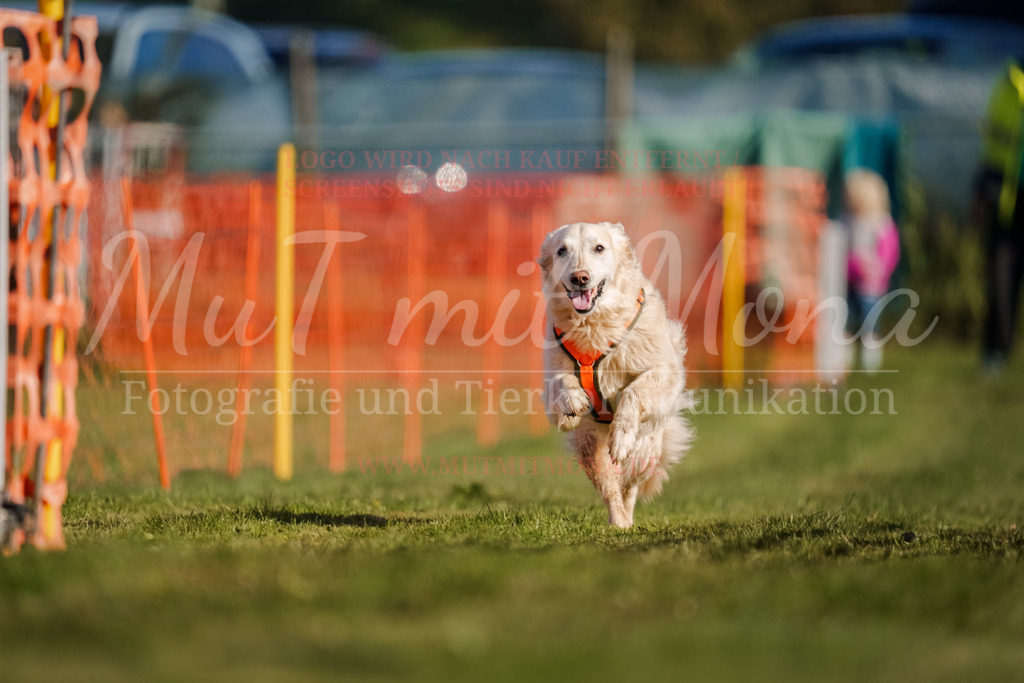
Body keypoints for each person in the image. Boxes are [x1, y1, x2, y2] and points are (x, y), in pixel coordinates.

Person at [976, 58, 1024, 372]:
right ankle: (995, 354)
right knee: (1001, 276)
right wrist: (983, 187)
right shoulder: (1006, 83)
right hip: (1007, 198)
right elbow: (992, 145)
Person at [844, 169, 901, 373]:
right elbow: (842, 252)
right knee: (847, 319)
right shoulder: (847, 222)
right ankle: (845, 356)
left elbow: (889, 254)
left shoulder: (881, 225)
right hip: (850, 283)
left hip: (872, 286)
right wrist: (852, 267)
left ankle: (871, 358)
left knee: (870, 321)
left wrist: (878, 270)